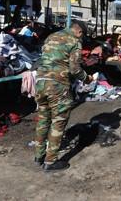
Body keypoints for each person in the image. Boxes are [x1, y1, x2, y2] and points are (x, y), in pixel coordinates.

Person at [34, 20, 92, 171]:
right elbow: (74, 69)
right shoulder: (74, 41)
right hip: (57, 85)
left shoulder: (51, 37)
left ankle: (39, 156)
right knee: (58, 121)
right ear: (79, 32)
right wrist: (87, 78)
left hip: (40, 82)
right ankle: (51, 161)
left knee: (43, 119)